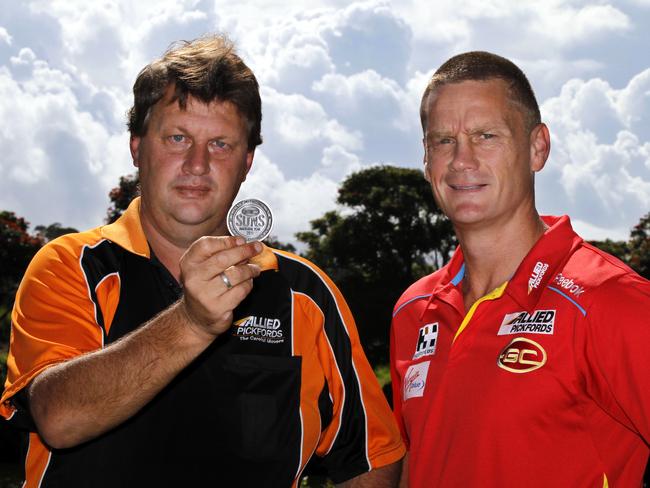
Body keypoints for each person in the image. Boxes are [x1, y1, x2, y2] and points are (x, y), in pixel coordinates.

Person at [0, 35, 404, 488]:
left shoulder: (302, 293)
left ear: (247, 161)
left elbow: (372, 456)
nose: (196, 164)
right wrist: (192, 322)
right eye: (177, 138)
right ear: (137, 146)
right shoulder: (70, 266)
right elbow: (59, 417)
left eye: (221, 145)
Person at [390, 51, 650, 487]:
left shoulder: (610, 299)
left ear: (537, 148)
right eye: (443, 141)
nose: (461, 160)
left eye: (486, 136)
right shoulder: (412, 309)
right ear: (426, 158)